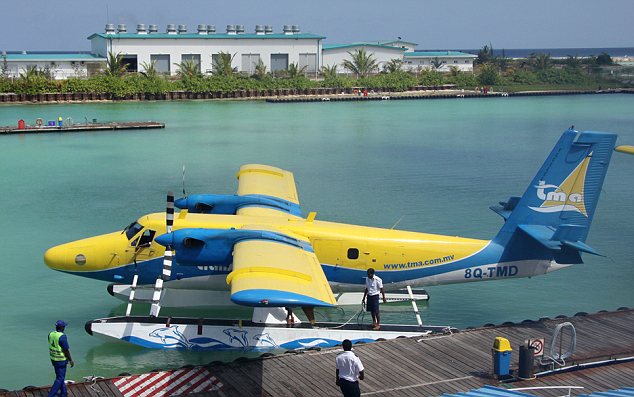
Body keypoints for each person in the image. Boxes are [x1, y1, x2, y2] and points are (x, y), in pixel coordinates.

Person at [48, 320, 74, 397]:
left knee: (60, 376)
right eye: (64, 326)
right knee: (60, 378)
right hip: (61, 360)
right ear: (62, 327)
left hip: (53, 358)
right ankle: (51, 395)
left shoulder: (51, 334)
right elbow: (66, 350)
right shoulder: (62, 336)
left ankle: (64, 393)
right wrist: (70, 360)